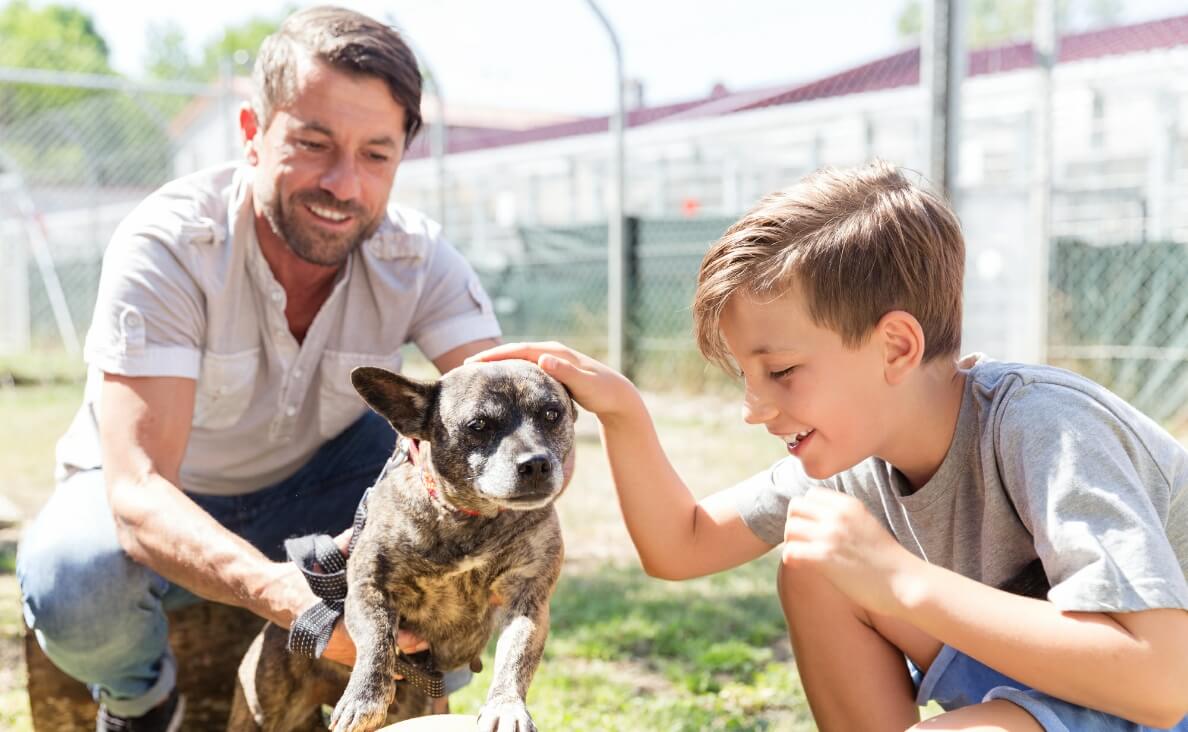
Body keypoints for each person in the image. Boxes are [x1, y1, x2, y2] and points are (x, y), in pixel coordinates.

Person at [471, 161, 1188, 731]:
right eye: (747, 378)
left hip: (1161, 695)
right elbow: (681, 546)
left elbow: (1158, 681)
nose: (756, 407)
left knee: (842, 556)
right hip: (1053, 690)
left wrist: (899, 579)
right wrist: (623, 411)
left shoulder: (1043, 425)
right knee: (814, 562)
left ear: (896, 347)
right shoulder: (854, 455)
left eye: (780, 372)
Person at [17, 7, 501, 730]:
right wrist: (294, 603)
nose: (344, 184)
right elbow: (141, 487)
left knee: (462, 516)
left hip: (325, 489)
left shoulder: (419, 258)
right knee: (74, 584)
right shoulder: (171, 243)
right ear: (252, 133)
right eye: (313, 144)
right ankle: (142, 705)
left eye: (376, 155)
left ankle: (414, 698)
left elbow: (499, 407)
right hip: (161, 491)